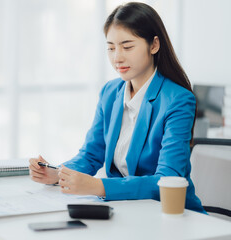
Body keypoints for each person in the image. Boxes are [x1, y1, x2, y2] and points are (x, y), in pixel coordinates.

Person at [29, 2, 205, 213]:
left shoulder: (178, 100)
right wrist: (58, 174)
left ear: (154, 45)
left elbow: (167, 180)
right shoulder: (110, 93)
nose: (117, 57)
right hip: (126, 210)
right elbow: (91, 155)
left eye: (127, 46)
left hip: (170, 214)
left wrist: (98, 186)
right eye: (111, 48)